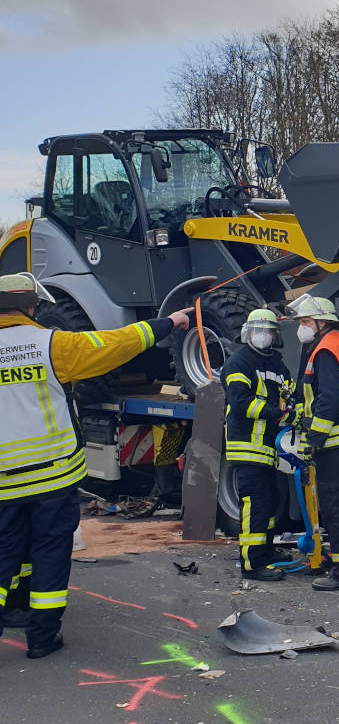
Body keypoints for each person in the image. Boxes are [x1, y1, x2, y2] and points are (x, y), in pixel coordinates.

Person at [0, 272, 189, 658]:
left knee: (5, 553)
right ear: (31, 306)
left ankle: (13, 610)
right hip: (52, 476)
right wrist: (169, 322)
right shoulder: (51, 345)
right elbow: (116, 344)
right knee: (50, 554)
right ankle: (42, 638)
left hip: (3, 484)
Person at [287, 295, 339, 591]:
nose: (302, 328)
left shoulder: (325, 350)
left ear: (322, 321)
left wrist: (313, 440)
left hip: (335, 444)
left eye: (306, 322)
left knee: (338, 509)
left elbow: (328, 401)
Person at [221, 309, 295, 582]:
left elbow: (290, 393)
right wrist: (278, 412)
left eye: (267, 331)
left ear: (275, 335)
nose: (263, 336)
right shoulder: (239, 362)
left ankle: (266, 549)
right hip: (247, 446)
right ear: (248, 333)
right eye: (257, 330)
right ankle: (252, 564)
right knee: (256, 503)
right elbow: (240, 402)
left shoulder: (278, 364)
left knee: (273, 500)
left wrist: (293, 409)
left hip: (270, 449)